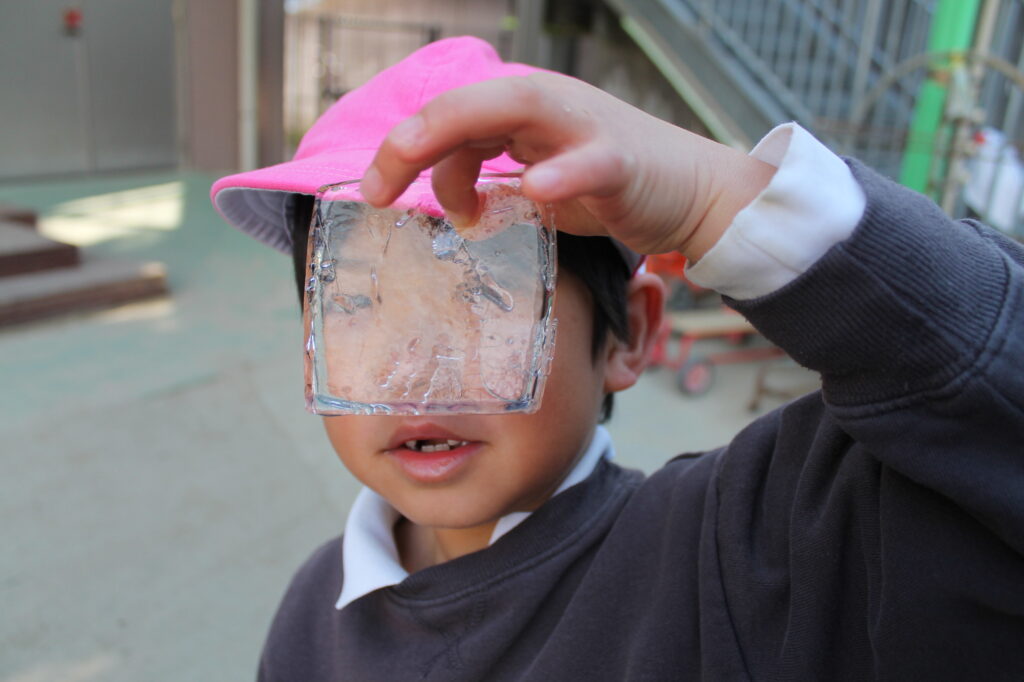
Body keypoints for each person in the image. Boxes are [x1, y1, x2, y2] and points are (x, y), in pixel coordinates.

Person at [212, 37, 1024, 681]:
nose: (417, 367)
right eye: (355, 303)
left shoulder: (745, 556)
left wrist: (718, 199)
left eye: (485, 295)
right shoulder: (312, 610)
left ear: (629, 334)